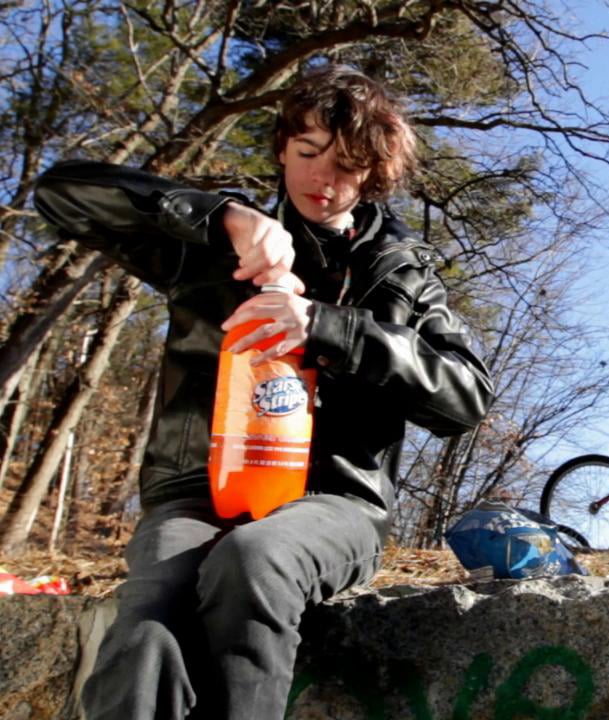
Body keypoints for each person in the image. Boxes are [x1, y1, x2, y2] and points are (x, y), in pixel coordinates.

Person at [34, 65, 494, 719]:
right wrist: (218, 215)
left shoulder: (402, 272)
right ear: (282, 148)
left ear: (372, 174)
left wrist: (333, 329)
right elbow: (59, 193)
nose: (321, 177)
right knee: (150, 623)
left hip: (334, 503)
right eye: (307, 152)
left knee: (254, 559)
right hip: (199, 491)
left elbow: (466, 397)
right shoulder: (214, 241)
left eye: (346, 164)